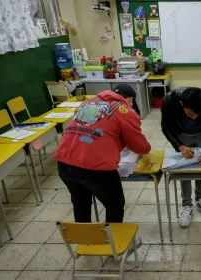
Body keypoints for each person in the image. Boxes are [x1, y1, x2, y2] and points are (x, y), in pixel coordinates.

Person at [55, 84, 151, 223]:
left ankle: (86, 242)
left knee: (80, 202)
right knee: (115, 205)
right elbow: (141, 147)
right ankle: (113, 242)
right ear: (130, 99)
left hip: (64, 162)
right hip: (95, 167)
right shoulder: (125, 111)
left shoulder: (88, 102)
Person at [161, 87, 201, 227]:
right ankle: (187, 206)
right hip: (182, 134)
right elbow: (165, 127)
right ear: (182, 105)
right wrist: (180, 146)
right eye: (190, 114)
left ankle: (200, 200)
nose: (194, 118)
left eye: (197, 115)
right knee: (185, 167)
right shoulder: (170, 101)